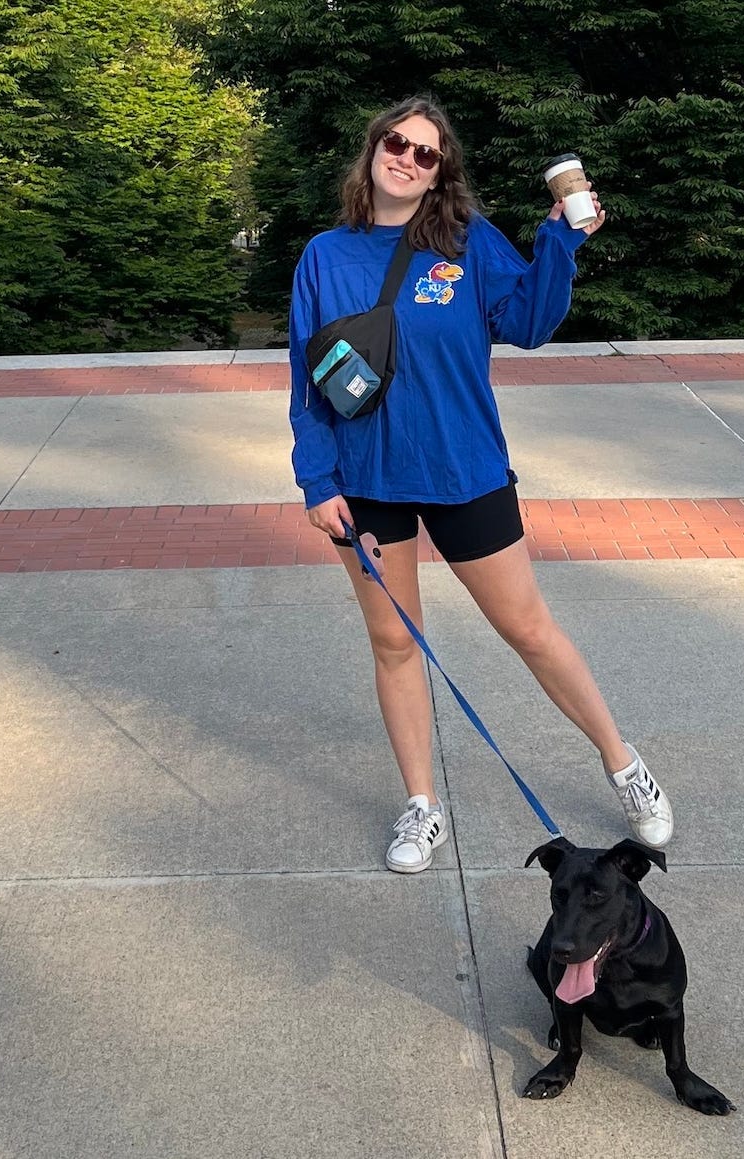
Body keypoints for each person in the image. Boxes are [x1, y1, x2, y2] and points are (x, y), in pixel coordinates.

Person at [288, 96, 672, 873]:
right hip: (366, 482)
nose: (405, 157)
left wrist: (561, 241)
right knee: (394, 641)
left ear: (439, 176)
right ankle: (421, 804)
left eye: (424, 153)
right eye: (394, 142)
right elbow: (307, 373)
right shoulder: (324, 256)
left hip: (464, 470)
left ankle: (622, 763)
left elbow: (528, 321)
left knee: (528, 629)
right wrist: (315, 478)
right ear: (371, 151)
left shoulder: (466, 242)